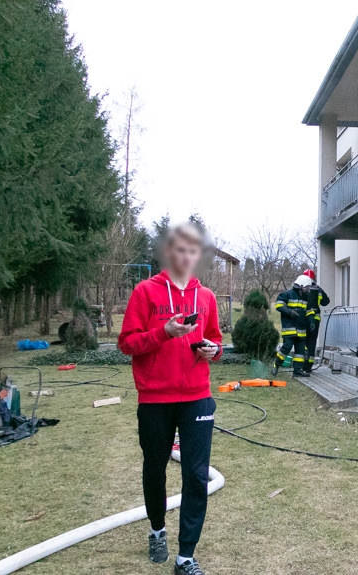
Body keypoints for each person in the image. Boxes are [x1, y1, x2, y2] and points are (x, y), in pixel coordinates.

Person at [118, 222, 222, 575]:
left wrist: (213, 350)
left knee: (195, 475)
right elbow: (127, 343)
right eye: (179, 249)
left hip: (197, 397)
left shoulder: (205, 297)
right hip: (155, 399)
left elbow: (216, 340)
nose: (186, 256)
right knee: (155, 468)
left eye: (193, 251)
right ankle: (157, 530)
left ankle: (186, 557)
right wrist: (163, 332)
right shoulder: (145, 292)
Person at [273, 274, 312, 378]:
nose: (308, 289)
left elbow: (309, 311)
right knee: (287, 347)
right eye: (307, 287)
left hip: (301, 329)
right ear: (301, 286)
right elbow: (279, 305)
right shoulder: (287, 294)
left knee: (300, 351)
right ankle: (276, 365)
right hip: (289, 328)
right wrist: (290, 312)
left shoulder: (306, 298)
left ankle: (297, 371)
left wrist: (311, 321)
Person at [302, 269, 330, 374]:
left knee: (302, 341)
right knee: (312, 342)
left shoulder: (302, 289)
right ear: (313, 278)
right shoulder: (318, 289)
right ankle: (309, 366)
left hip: (303, 319)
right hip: (315, 320)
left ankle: (302, 363)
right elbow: (326, 302)